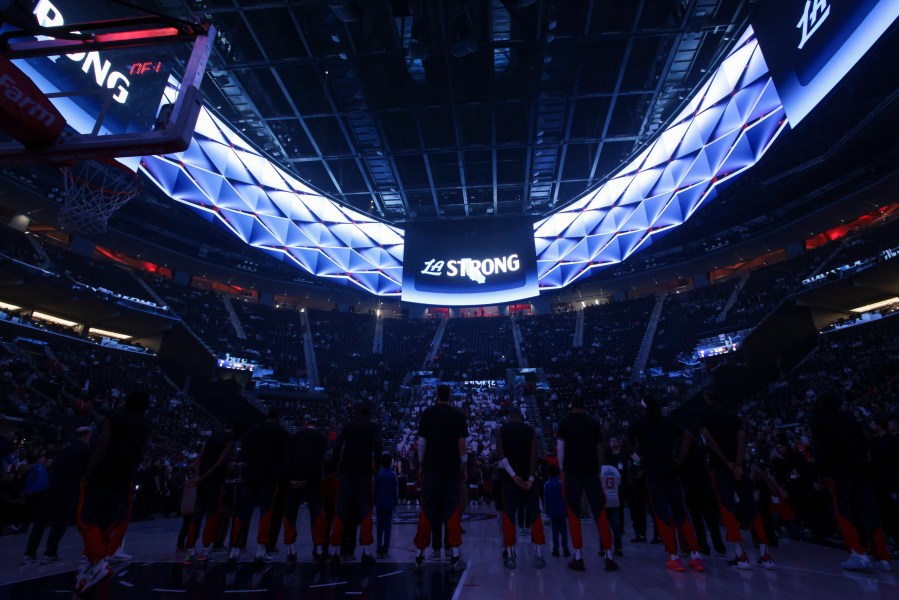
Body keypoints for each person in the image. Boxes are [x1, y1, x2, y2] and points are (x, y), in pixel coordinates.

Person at [75, 391, 151, 594]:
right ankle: (89, 567)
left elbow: (102, 445)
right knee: (105, 524)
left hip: (103, 473)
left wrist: (88, 473)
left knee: (86, 520)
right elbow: (142, 452)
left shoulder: (116, 418)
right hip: (123, 477)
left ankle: (98, 563)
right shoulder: (145, 425)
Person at [810, 394, 892, 572]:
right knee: (870, 512)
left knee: (844, 511)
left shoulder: (818, 420)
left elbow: (819, 448)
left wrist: (821, 474)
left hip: (840, 473)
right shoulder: (849, 417)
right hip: (862, 469)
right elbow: (864, 438)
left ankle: (858, 554)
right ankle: (883, 557)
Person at [700, 388, 774, 570]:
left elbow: (709, 439)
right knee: (751, 507)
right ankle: (766, 555)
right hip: (741, 467)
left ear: (707, 397)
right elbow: (742, 439)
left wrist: (727, 464)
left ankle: (741, 556)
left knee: (728, 508)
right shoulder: (733, 415)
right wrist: (739, 464)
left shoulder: (704, 414)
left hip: (721, 468)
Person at [629, 396, 705, 572]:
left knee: (662, 513)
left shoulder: (639, 424)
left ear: (643, 408)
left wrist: (636, 460)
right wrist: (679, 457)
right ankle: (696, 556)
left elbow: (627, 442)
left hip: (653, 472)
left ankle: (673, 556)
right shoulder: (667, 421)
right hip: (670, 469)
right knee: (680, 511)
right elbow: (688, 436)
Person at [556, 396, 618, 572]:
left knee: (573, 513)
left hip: (572, 472)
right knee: (600, 512)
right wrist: (598, 470)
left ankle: (578, 556)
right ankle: (608, 555)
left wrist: (562, 470)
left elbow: (560, 449)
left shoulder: (564, 422)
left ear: (571, 405)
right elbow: (600, 448)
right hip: (591, 471)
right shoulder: (593, 423)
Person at [413, 384, 468, 573]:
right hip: (451, 469)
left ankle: (419, 555)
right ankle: (454, 556)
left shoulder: (428, 413)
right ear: (450, 396)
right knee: (452, 509)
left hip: (432, 468)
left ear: (437, 396)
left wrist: (421, 465)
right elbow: (462, 444)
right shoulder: (458, 415)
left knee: (428, 508)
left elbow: (421, 443)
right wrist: (465, 467)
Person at [24, 426, 92, 563]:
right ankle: (50, 552)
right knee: (59, 521)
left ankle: (29, 553)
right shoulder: (86, 450)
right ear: (87, 435)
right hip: (67, 488)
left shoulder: (65, 449)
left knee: (41, 520)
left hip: (52, 486)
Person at [229, 409, 288, 564]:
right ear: (279, 417)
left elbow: (243, 455)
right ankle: (261, 550)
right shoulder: (281, 431)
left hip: (250, 476)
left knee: (243, 511)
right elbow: (285, 456)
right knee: (266, 511)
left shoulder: (252, 430)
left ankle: (234, 550)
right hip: (270, 477)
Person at [329, 401, 382, 566]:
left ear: (357, 412)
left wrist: (335, 465)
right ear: (368, 413)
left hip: (346, 471)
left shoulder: (347, 426)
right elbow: (378, 446)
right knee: (365, 510)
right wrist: (377, 467)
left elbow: (337, 447)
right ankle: (366, 551)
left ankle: (335, 551)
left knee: (341, 509)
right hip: (364, 471)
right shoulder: (373, 427)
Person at [184, 423, 242, 565]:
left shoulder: (213, 436)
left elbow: (199, 457)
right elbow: (220, 462)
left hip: (202, 479)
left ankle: (190, 550)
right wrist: (203, 478)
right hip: (215, 481)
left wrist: (197, 476)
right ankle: (205, 550)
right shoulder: (230, 441)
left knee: (197, 514)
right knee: (212, 514)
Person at [496, 407, 546, 569]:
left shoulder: (501, 431)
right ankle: (538, 554)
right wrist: (531, 478)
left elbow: (501, 456)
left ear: (510, 416)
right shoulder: (530, 431)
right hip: (529, 479)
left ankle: (510, 555)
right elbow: (534, 455)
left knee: (509, 515)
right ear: (522, 416)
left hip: (510, 479)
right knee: (535, 514)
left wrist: (513, 476)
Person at [283, 416, 329, 562]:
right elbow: (319, 461)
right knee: (316, 512)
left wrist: (291, 479)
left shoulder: (295, 436)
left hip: (294, 480)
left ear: (306, 425)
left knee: (291, 513)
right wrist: (308, 479)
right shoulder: (321, 438)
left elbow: (287, 459)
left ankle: (290, 548)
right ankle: (318, 548)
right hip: (312, 480)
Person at [543, 463, 570, 558]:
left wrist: (547, 511)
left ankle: (556, 549)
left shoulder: (547, 485)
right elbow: (566, 498)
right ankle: (565, 549)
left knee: (554, 531)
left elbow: (546, 500)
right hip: (562, 511)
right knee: (564, 531)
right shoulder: (562, 484)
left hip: (552, 512)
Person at [375, 453, 398, 557]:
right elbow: (395, 491)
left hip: (380, 504)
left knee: (379, 528)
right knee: (388, 528)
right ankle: (385, 548)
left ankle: (379, 547)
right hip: (389, 504)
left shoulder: (378, 474)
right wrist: (395, 503)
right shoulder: (393, 475)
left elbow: (376, 490)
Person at [599, 461, 623, 557]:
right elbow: (619, 484)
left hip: (604, 500)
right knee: (616, 526)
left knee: (603, 526)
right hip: (614, 500)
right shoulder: (615, 470)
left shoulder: (600, 470)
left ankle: (603, 548)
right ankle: (618, 548)